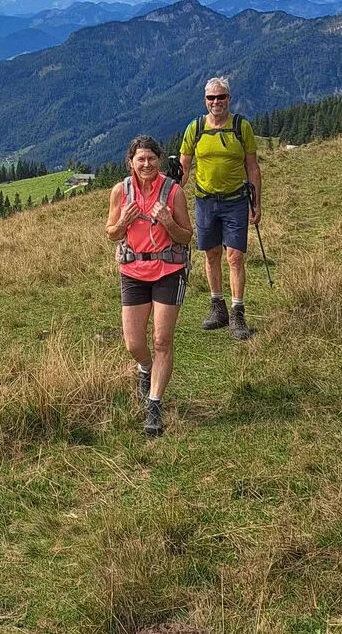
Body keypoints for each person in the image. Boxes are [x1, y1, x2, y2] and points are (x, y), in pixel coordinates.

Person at [105, 135, 193, 436]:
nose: (146, 164)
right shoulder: (121, 191)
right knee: (133, 343)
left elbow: (186, 236)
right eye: (140, 159)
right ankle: (145, 367)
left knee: (161, 341)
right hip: (133, 271)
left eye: (151, 159)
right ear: (131, 162)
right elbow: (111, 232)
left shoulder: (173, 191)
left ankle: (154, 406)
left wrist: (168, 222)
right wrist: (123, 223)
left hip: (169, 269)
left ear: (159, 160)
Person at [179, 77, 262, 340]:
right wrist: (170, 198)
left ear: (229, 98)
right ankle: (218, 308)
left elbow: (252, 167)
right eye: (211, 98)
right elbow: (183, 168)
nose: (216, 102)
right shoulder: (195, 128)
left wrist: (256, 203)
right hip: (205, 201)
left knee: (235, 256)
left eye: (221, 97)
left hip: (236, 200)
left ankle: (238, 312)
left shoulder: (241, 127)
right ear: (205, 100)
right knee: (211, 254)